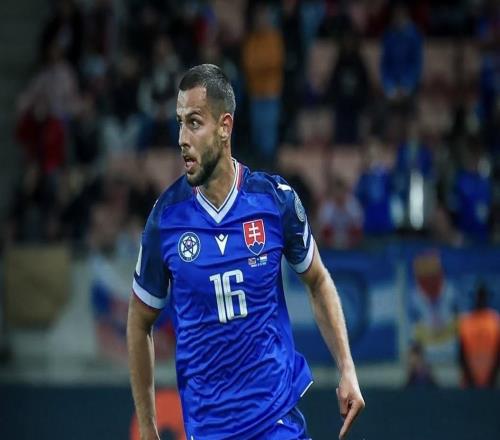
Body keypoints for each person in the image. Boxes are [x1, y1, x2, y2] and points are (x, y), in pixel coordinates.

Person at [127, 64, 364, 440]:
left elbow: (318, 280)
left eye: (194, 123)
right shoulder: (166, 218)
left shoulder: (274, 200)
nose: (182, 138)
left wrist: (347, 368)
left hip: (275, 421)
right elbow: (139, 321)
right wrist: (147, 427)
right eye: (179, 123)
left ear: (225, 127)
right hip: (209, 429)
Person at [458, 284, 500, 388]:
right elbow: (461, 354)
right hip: (471, 380)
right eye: (479, 297)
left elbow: (498, 353)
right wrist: (471, 378)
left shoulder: (494, 320)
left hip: (490, 379)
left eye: (482, 297)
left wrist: (491, 378)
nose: (480, 300)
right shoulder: (467, 321)